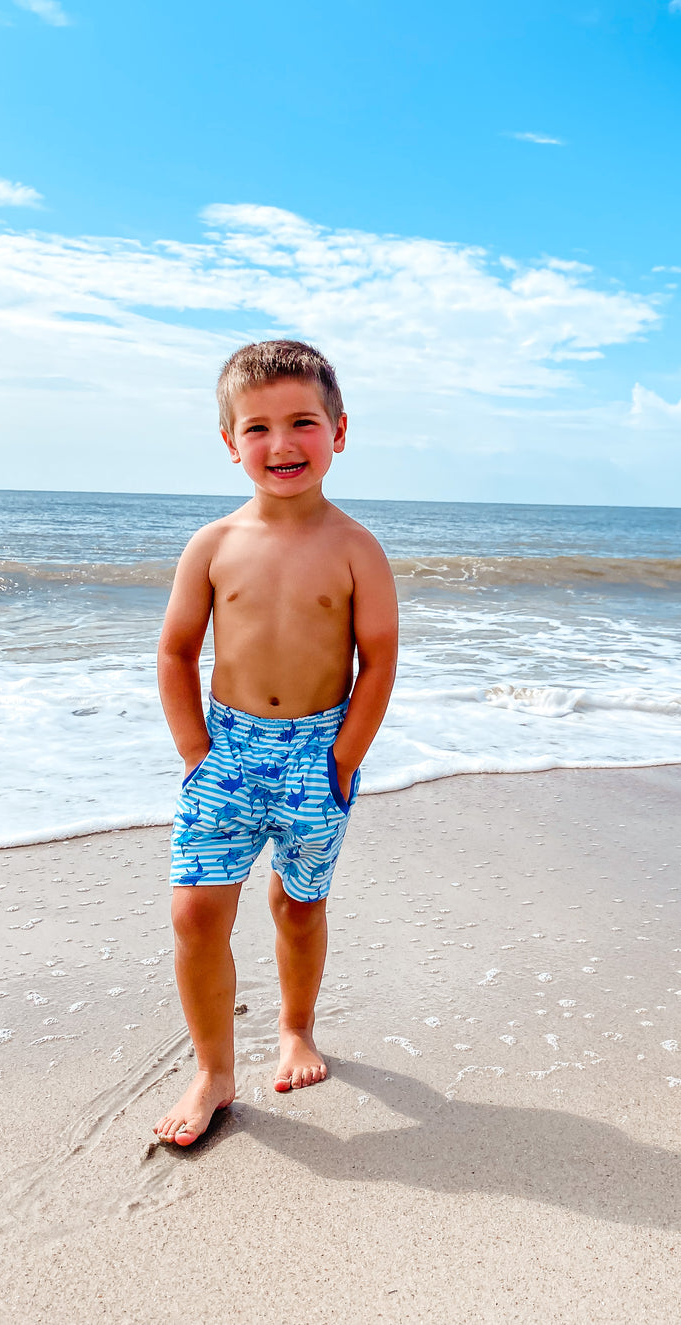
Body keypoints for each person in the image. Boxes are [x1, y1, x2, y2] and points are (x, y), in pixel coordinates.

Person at [152, 340, 398, 1147]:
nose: (282, 443)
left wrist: (343, 762)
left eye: (302, 422)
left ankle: (296, 1028)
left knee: (299, 905)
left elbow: (379, 658)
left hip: (318, 754)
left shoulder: (357, 547)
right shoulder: (214, 544)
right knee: (195, 914)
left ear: (339, 430)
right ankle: (212, 1071)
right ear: (230, 442)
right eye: (257, 427)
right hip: (226, 751)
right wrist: (196, 754)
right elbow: (177, 651)